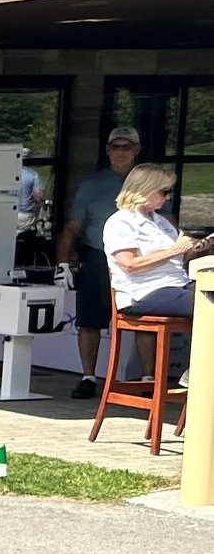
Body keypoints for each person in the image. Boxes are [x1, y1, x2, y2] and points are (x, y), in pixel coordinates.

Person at [101, 163, 208, 380]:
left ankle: (200, 368)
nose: (167, 197)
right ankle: (198, 369)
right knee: (207, 305)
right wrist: (176, 249)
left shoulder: (161, 222)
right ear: (144, 188)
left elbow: (176, 260)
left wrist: (195, 250)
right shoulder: (120, 222)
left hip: (176, 284)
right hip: (143, 292)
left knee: (207, 294)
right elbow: (129, 264)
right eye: (164, 191)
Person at [58, 125, 141, 401]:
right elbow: (73, 227)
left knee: (143, 319)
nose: (120, 152)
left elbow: (166, 221)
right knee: (90, 320)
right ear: (107, 151)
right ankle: (88, 377)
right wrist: (63, 262)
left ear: (136, 151)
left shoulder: (147, 183)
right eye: (115, 147)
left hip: (140, 261)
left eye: (126, 147)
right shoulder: (91, 186)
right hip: (98, 256)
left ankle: (149, 378)